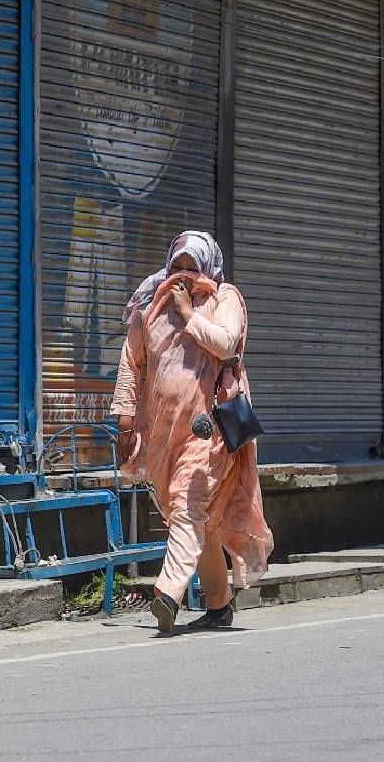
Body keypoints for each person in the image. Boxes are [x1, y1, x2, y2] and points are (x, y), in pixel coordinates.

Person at [110, 230, 274, 633]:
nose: (183, 276)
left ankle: (167, 593)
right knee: (197, 518)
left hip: (210, 430)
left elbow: (226, 342)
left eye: (192, 268)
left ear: (208, 268)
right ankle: (218, 606)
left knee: (188, 506)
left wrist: (188, 313)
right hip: (164, 434)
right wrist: (125, 420)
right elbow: (131, 362)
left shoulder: (224, 298)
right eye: (177, 267)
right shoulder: (150, 306)